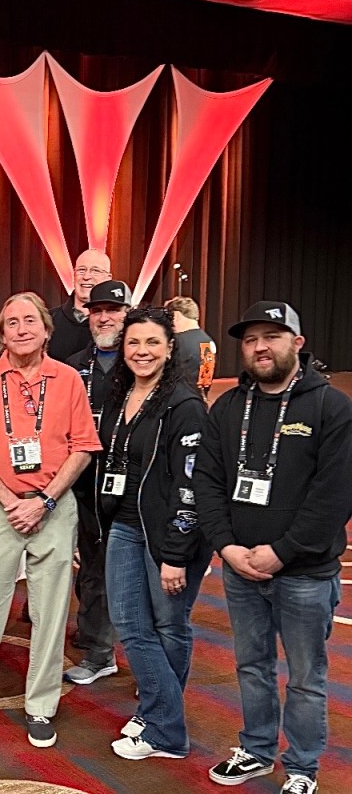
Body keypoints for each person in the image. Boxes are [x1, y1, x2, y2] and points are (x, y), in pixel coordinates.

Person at [194, 301, 351, 794]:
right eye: (251, 339)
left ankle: (302, 767)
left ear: (297, 343)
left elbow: (334, 495)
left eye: (272, 336)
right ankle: (257, 750)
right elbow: (207, 482)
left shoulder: (331, 407)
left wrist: (282, 551)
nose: (260, 347)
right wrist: (226, 547)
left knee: (305, 677)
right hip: (240, 567)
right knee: (251, 666)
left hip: (304, 572)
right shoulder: (228, 408)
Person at [0, 292, 101, 748]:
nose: (22, 329)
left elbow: (83, 447)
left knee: (51, 610)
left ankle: (41, 704)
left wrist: (43, 500)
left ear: (47, 330)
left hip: (53, 506)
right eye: (12, 322)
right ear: (1, 334)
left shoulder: (68, 379)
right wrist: (10, 499)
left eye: (30, 321)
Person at [96, 306, 212, 761]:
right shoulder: (119, 394)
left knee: (169, 626)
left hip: (169, 535)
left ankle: (165, 730)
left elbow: (192, 486)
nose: (141, 351)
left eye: (152, 343)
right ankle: (159, 714)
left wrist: (176, 554)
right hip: (125, 525)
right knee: (130, 623)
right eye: (133, 342)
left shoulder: (185, 405)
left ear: (169, 349)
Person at [62, 280, 132, 685]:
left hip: (131, 486)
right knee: (90, 567)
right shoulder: (73, 365)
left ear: (127, 313)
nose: (104, 318)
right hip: (84, 483)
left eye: (113, 310)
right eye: (97, 310)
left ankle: (117, 651)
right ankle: (96, 644)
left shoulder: (141, 359)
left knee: (128, 573)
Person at [47, 249, 112, 361]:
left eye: (95, 271)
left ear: (108, 278)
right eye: (81, 270)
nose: (86, 276)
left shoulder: (116, 323)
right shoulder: (48, 319)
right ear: (74, 275)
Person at [165, 296, 217, 400]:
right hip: (199, 400)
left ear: (177, 316)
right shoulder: (208, 340)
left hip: (177, 402)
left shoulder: (176, 342)